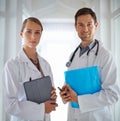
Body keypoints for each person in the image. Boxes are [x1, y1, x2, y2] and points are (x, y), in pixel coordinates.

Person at [59, 7, 120, 121]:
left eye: (89, 24)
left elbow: (113, 95)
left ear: (96, 25)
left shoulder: (105, 56)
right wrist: (65, 94)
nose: (85, 29)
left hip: (97, 117)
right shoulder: (73, 55)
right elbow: (69, 85)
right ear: (75, 27)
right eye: (81, 25)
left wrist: (78, 99)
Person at [2, 17, 58, 121]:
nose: (33, 36)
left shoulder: (45, 64)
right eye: (28, 32)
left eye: (37, 32)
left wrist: (52, 96)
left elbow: (51, 95)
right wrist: (42, 108)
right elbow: (9, 105)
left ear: (41, 35)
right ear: (21, 34)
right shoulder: (12, 65)